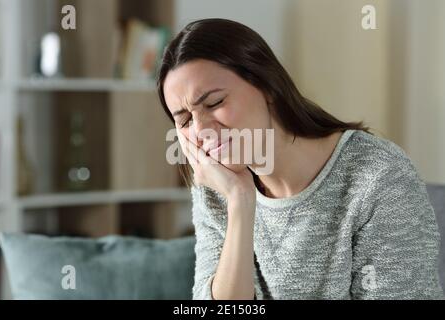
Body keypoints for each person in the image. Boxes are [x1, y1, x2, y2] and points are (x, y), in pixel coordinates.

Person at [157, 18, 444, 300]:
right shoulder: (218, 187)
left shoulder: (379, 177)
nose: (202, 130)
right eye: (184, 120)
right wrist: (239, 200)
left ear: (266, 85)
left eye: (215, 102)